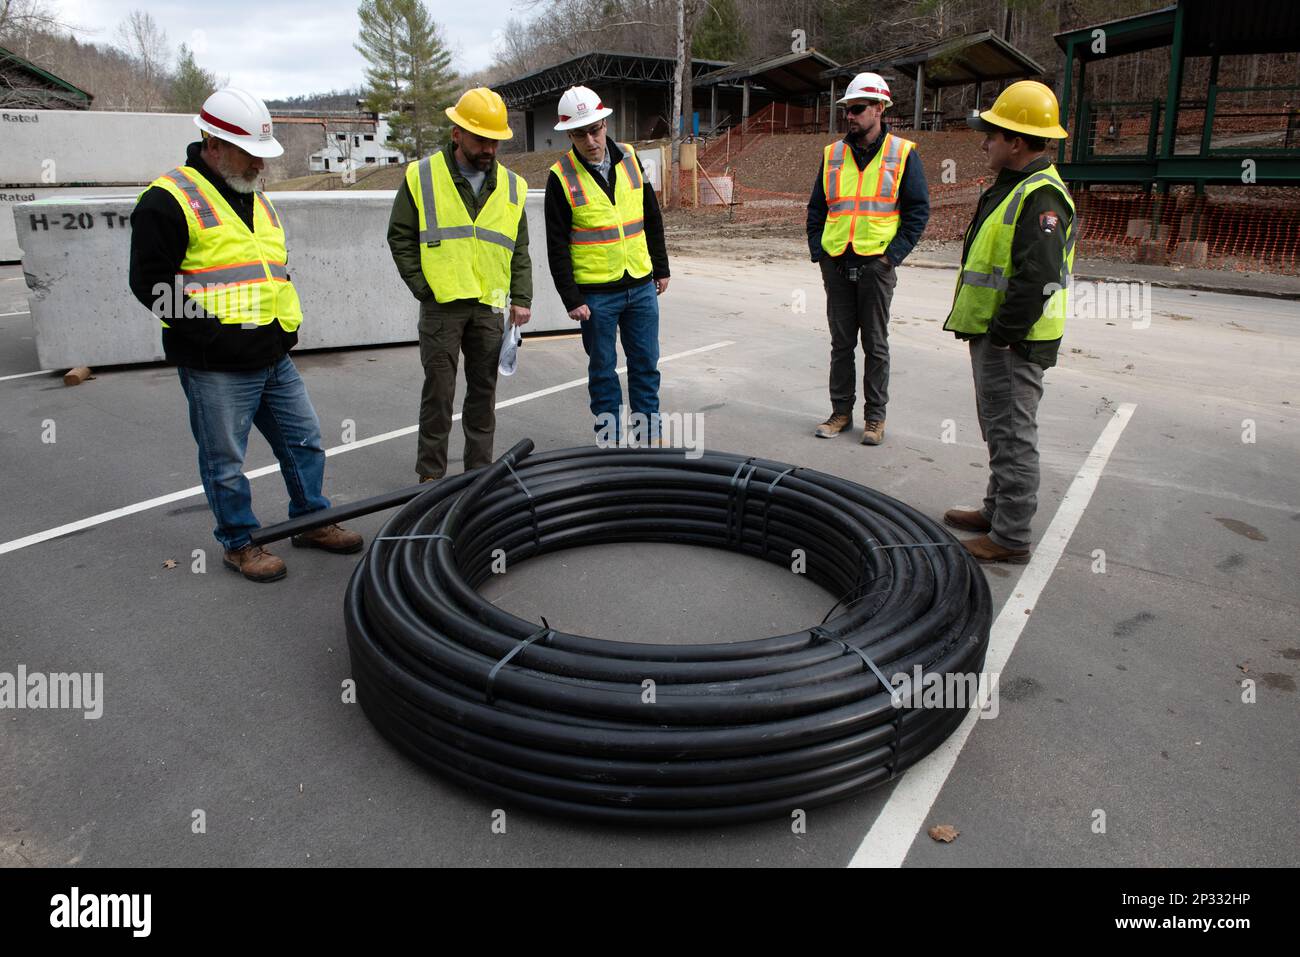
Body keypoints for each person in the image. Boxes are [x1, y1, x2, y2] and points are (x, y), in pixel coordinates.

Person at [128, 87, 362, 584]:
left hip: (272, 353)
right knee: (226, 461)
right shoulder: (166, 200)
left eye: (262, 155)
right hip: (215, 365)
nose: (260, 164)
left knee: (304, 443)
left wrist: (286, 328)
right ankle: (239, 543)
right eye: (250, 154)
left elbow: (270, 269)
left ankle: (312, 521)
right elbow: (150, 285)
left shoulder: (255, 196)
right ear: (213, 144)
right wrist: (213, 336)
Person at [941, 80, 1074, 564]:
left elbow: (1039, 278)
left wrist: (1002, 337)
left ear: (1017, 142)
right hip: (1000, 338)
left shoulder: (1040, 198)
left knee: (1014, 436)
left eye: (992, 134)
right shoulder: (1017, 187)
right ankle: (997, 511)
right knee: (999, 429)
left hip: (1013, 344)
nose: (985, 142)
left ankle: (1011, 536)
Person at [386, 87, 531, 482]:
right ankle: (431, 476)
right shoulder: (422, 176)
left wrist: (521, 297)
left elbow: (519, 248)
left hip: (488, 304)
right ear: (457, 135)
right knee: (439, 392)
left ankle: (477, 475)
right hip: (442, 305)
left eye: (495, 141)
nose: (489, 148)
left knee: (483, 394)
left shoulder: (513, 186)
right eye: (481, 139)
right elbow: (400, 235)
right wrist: (423, 287)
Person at [806, 71, 930, 446]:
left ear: (879, 108)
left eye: (858, 108)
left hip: (877, 264)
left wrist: (892, 257)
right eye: (846, 109)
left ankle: (874, 418)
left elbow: (917, 211)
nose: (850, 115)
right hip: (837, 262)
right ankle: (840, 412)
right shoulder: (833, 154)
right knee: (841, 343)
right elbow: (817, 208)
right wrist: (820, 251)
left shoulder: (903, 153)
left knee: (875, 344)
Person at [543, 85, 670, 443]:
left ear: (604, 123)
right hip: (596, 296)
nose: (591, 140)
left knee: (646, 366)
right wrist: (571, 298)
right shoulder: (560, 177)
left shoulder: (631, 158)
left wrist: (660, 268)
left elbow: (651, 216)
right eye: (581, 133)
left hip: (641, 285)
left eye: (595, 129)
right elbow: (556, 244)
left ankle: (649, 436)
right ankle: (610, 442)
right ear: (569, 134)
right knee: (602, 372)